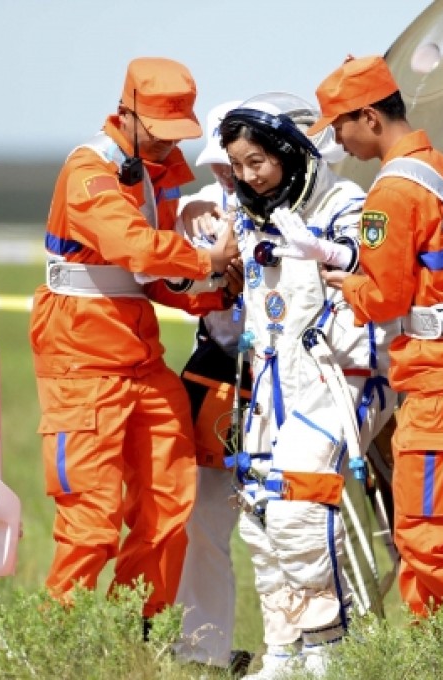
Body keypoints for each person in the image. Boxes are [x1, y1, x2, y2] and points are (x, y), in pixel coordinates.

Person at [29, 57, 240, 625]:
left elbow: (154, 280)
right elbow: (136, 248)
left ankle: (134, 636)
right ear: (129, 113)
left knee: (169, 507)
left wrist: (216, 293)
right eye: (161, 131)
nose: (172, 146)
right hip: (81, 363)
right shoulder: (89, 169)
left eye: (179, 134)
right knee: (90, 521)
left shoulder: (154, 172)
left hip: (140, 358)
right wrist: (205, 259)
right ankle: (59, 647)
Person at [305, 55, 443, 619]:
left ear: (369, 117)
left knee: (426, 536)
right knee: (423, 529)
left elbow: (384, 300)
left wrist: (343, 282)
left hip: (441, 376)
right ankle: (431, 653)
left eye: (340, 127)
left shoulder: (392, 194)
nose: (339, 142)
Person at [218, 92, 396, 678]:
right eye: (237, 166)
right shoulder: (249, 212)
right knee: (260, 515)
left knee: (296, 507)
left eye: (256, 162)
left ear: (291, 152)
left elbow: (372, 259)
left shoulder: (346, 202)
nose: (247, 176)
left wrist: (328, 251)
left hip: (341, 374)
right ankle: (284, 652)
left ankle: (328, 652)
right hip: (272, 378)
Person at [171, 99, 253, 674]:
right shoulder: (196, 212)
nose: (228, 179)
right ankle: (204, 652)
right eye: (220, 168)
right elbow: (171, 278)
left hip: (295, 381)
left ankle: (313, 653)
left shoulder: (312, 209)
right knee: (201, 520)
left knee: (296, 526)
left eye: (240, 166)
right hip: (219, 374)